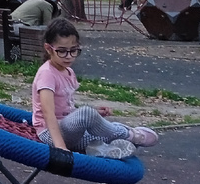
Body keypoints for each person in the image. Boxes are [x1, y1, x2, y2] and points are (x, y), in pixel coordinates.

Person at [33, 17, 158, 159]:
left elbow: (66, 108)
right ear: (48, 49)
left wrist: (95, 114)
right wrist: (60, 147)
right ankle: (128, 134)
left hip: (69, 131)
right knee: (87, 113)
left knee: (98, 130)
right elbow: (48, 113)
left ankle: (103, 148)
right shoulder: (47, 73)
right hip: (50, 134)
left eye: (73, 50)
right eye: (62, 51)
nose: (69, 56)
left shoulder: (68, 71)